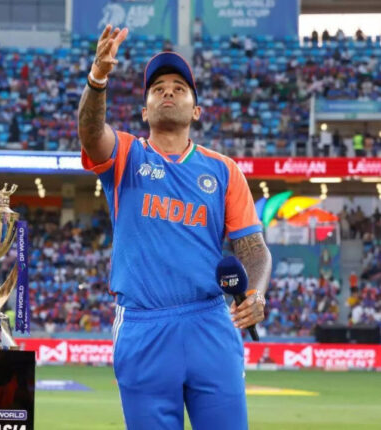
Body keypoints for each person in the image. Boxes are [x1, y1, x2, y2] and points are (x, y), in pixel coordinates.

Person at [77, 25, 272, 429]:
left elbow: (253, 249)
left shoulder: (224, 170)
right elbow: (91, 134)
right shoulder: (126, 154)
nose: (168, 92)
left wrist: (255, 292)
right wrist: (98, 78)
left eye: (180, 88)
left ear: (196, 111)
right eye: (158, 88)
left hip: (209, 322)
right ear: (145, 110)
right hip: (143, 325)